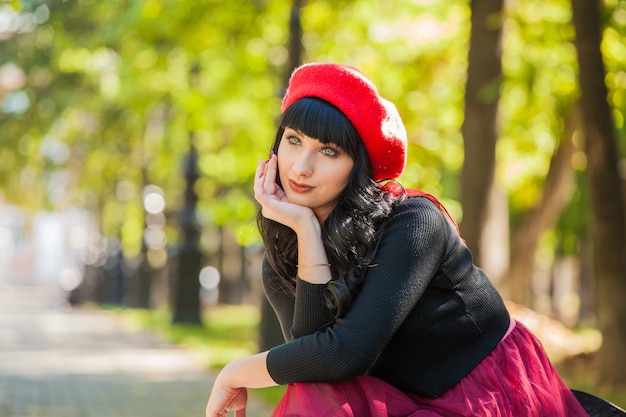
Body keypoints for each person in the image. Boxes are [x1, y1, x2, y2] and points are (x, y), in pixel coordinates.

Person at [205, 62, 588, 417]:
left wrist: (235, 372)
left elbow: (345, 354)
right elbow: (314, 370)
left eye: (328, 151)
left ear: (358, 166)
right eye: (293, 140)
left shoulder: (414, 222)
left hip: (482, 390)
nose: (301, 168)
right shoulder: (282, 256)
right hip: (401, 396)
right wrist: (306, 230)